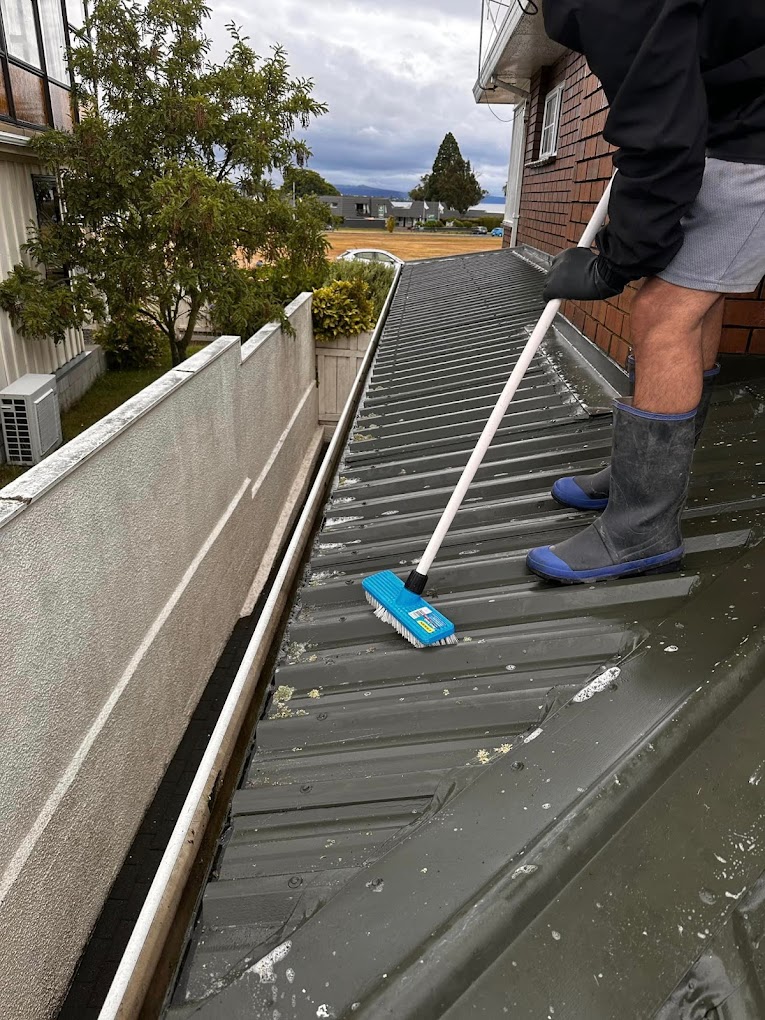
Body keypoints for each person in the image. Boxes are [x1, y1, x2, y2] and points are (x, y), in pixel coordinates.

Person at [525, 0, 765, 584]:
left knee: (662, 313)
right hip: (733, 118)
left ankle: (641, 529)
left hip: (751, 137)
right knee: (692, 301)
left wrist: (613, 265)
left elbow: (661, 141)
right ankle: (641, 478)